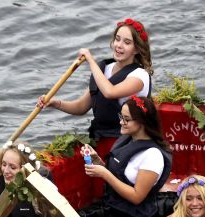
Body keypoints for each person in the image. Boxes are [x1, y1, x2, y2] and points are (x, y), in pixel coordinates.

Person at [38, 18, 153, 155]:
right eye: (117, 39)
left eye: (127, 42)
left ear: (137, 49)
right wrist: (56, 103)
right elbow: (81, 107)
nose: (119, 45)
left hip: (126, 143)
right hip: (100, 139)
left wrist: (90, 60)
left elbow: (110, 92)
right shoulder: (104, 69)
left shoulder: (140, 76)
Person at [83, 95, 172, 217]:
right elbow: (120, 173)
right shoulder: (128, 139)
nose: (121, 122)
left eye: (127, 119)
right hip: (116, 214)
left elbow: (137, 196)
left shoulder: (152, 156)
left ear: (143, 122)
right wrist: (98, 162)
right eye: (121, 117)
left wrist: (104, 174)